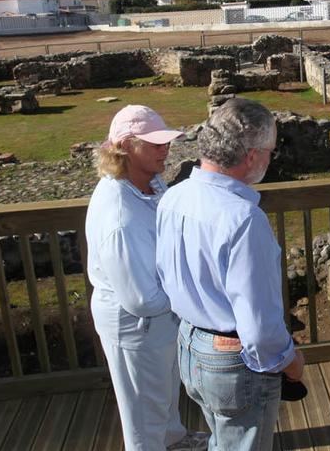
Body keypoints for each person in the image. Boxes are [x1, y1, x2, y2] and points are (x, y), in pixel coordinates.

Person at [156, 98, 305, 451]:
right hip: (232, 360)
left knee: (223, 439)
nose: (271, 158)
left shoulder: (174, 197)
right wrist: (291, 362)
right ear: (251, 156)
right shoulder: (242, 219)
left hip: (190, 345)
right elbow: (259, 323)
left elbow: (165, 275)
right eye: (270, 150)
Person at [85, 105, 208, 451]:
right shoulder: (120, 215)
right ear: (125, 145)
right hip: (136, 328)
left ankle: (173, 439)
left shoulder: (148, 184)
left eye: (165, 142)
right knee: (142, 411)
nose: (165, 150)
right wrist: (190, 291)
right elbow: (141, 300)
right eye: (154, 144)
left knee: (165, 393)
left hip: (159, 323)